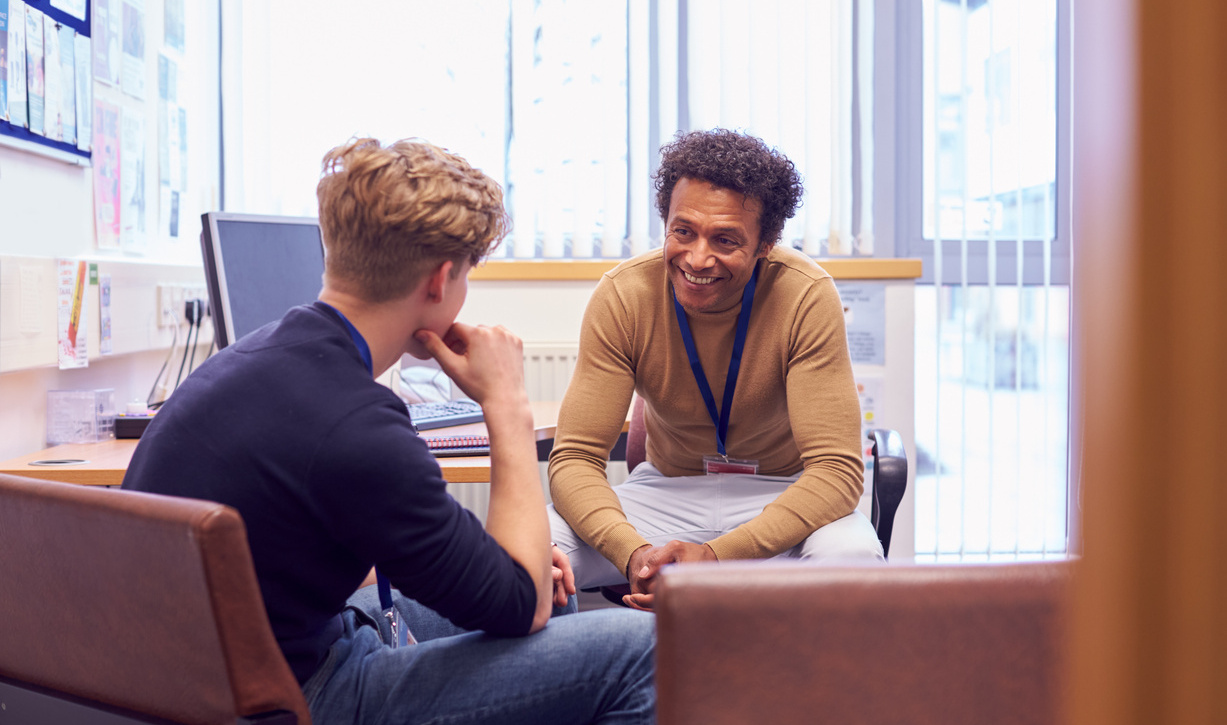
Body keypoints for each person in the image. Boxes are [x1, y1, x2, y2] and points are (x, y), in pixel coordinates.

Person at [123, 137, 655, 724]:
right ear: (440, 280)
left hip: (210, 676)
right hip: (300, 697)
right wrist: (506, 403)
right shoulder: (358, 426)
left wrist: (516, 568)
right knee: (642, 648)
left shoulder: (251, 359)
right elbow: (520, 605)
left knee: (554, 585)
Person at [548, 129, 882, 611]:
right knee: (531, 550)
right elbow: (575, 459)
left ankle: (804, 689)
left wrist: (718, 556)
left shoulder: (806, 295)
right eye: (683, 231)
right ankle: (587, 680)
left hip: (781, 494)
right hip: (666, 494)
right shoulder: (624, 295)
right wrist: (635, 554)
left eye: (725, 239)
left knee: (852, 560)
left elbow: (836, 472)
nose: (697, 258)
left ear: (765, 243)